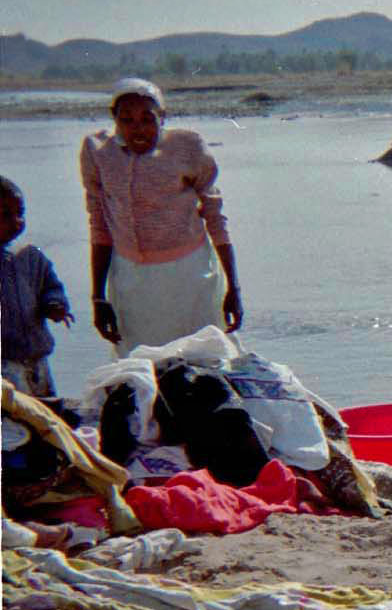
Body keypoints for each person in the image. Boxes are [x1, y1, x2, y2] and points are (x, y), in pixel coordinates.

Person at [80, 77, 243, 356]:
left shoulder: (187, 147)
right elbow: (99, 226)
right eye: (127, 120)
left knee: (202, 359)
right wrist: (98, 297)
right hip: (131, 279)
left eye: (148, 119)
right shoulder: (98, 152)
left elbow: (215, 218)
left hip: (190, 276)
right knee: (140, 363)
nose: (138, 128)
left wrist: (233, 287)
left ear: (163, 117)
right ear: (114, 119)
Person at [1, 176, 73, 396]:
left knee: (47, 414)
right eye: (4, 215)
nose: (16, 221)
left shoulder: (30, 255)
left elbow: (51, 286)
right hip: (4, 365)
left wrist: (54, 304)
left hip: (36, 358)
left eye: (20, 213)